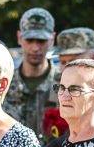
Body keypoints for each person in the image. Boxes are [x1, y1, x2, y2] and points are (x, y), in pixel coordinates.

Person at [6, 8, 59, 138]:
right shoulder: (4, 84)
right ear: (19, 37)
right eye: (29, 40)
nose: (35, 48)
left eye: (41, 41)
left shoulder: (63, 83)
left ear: (52, 39)